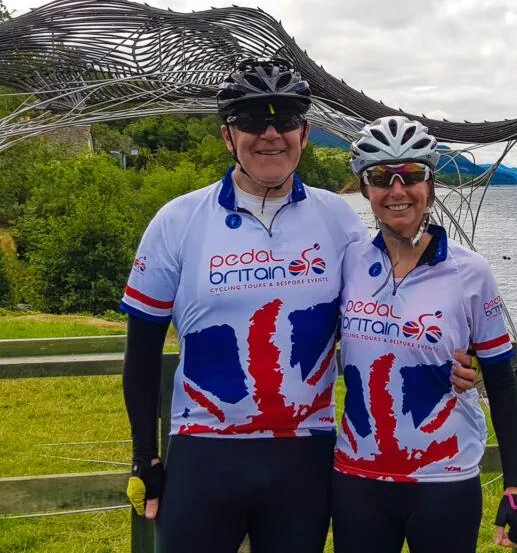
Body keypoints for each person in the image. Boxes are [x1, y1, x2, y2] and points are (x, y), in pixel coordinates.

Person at [119, 60, 478, 552]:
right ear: (228, 136)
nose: (271, 134)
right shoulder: (177, 220)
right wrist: (144, 456)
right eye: (252, 121)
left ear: (305, 133)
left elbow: (399, 308)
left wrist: (461, 355)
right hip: (204, 450)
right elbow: (141, 349)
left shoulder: (340, 221)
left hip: (304, 454)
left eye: (285, 119)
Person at [331, 116, 517, 552]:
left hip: (444, 477)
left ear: (431, 185)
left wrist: (515, 483)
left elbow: (501, 378)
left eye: (412, 175)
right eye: (381, 177)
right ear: (365, 188)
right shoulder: (347, 263)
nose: (397, 190)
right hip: (357, 477)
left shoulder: (470, 272)